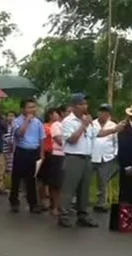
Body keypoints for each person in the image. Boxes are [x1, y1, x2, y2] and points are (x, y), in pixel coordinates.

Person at [58, 93, 99, 227]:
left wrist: (114, 130)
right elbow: (72, 139)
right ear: (74, 106)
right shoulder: (68, 122)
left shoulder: (88, 120)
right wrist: (83, 125)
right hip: (73, 157)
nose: (85, 106)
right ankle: (63, 215)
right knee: (69, 188)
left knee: (84, 188)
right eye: (81, 104)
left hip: (87, 157)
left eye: (86, 104)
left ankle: (82, 214)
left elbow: (95, 136)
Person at [9, 98, 44, 213]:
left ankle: (33, 203)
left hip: (33, 151)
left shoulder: (38, 122)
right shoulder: (17, 121)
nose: (32, 110)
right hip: (21, 151)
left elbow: (41, 138)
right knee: (16, 178)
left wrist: (41, 154)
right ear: (23, 109)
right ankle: (14, 201)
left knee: (31, 178)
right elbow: (20, 134)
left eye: (33, 107)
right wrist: (26, 122)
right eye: (29, 107)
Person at [91, 103, 119, 212]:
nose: (103, 114)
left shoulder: (113, 125)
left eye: (106, 112)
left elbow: (116, 141)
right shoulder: (92, 124)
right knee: (86, 179)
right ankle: (78, 201)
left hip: (107, 156)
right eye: (101, 111)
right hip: (92, 155)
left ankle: (101, 203)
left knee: (103, 181)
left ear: (109, 114)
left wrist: (115, 154)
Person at [39, 107, 65, 214]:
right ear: (50, 115)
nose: (57, 115)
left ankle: (53, 203)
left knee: (55, 181)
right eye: (55, 114)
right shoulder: (45, 126)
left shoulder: (62, 125)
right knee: (44, 179)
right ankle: (42, 200)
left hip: (56, 154)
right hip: (47, 153)